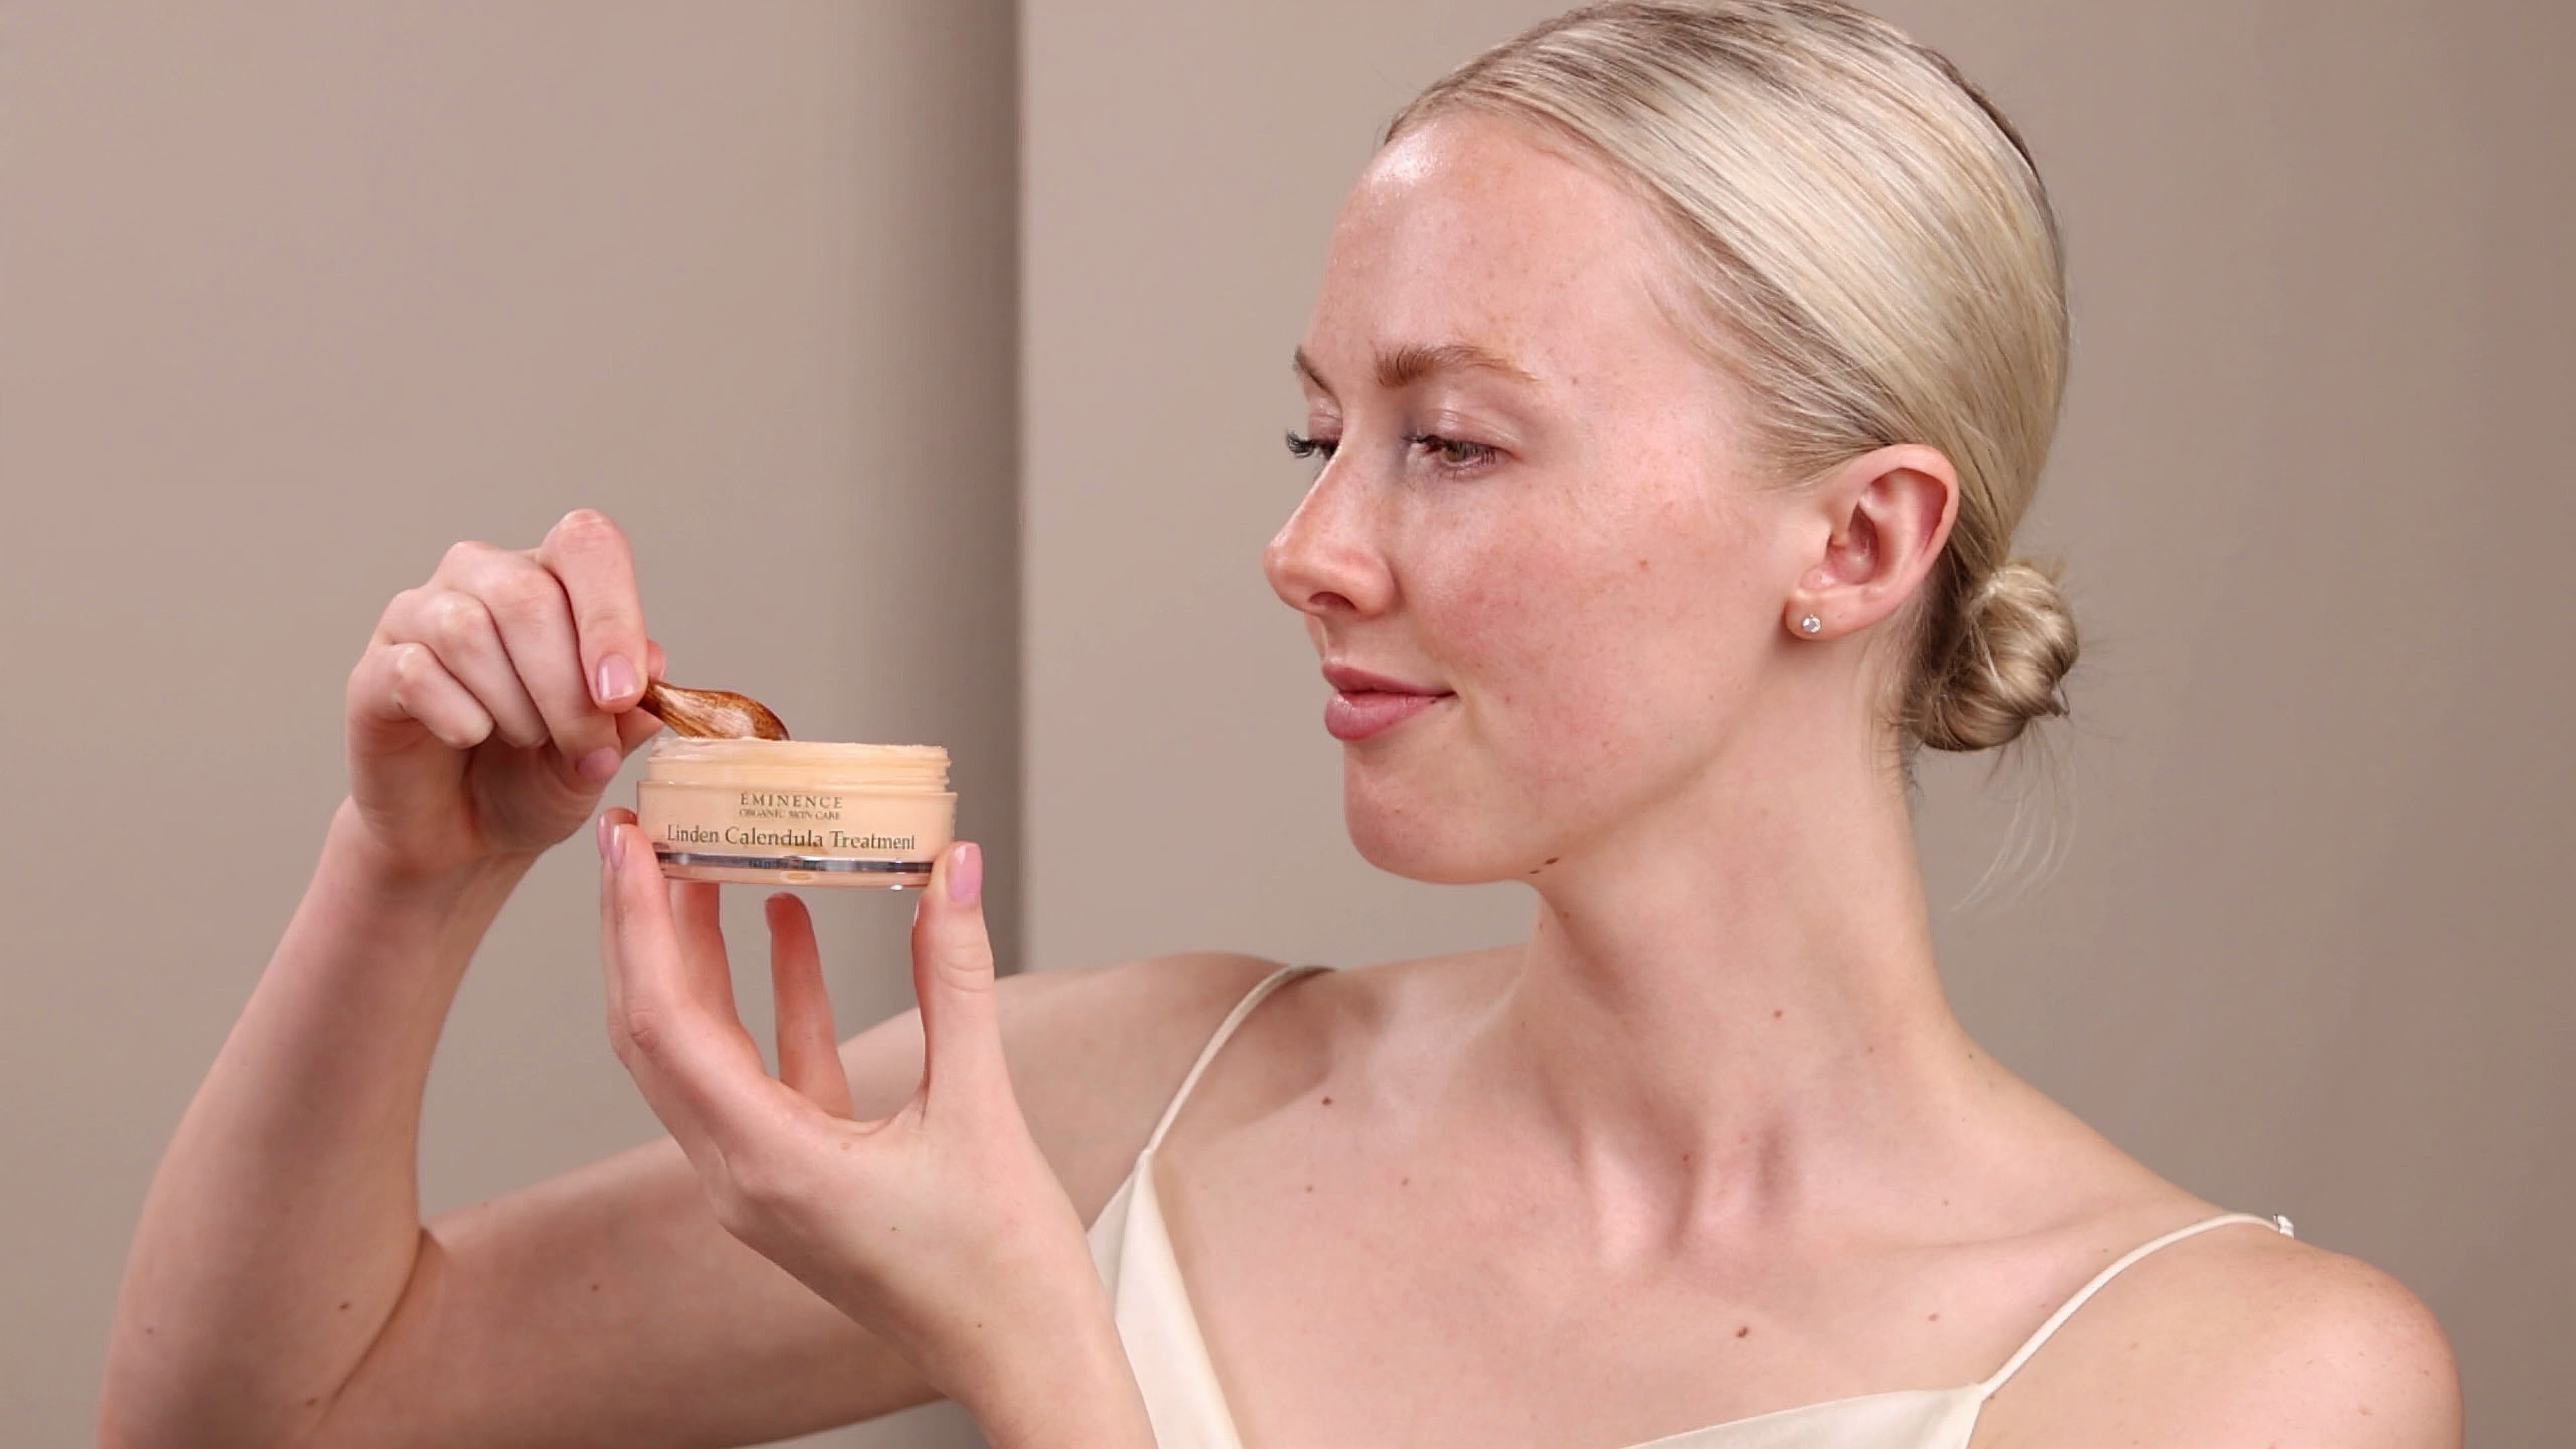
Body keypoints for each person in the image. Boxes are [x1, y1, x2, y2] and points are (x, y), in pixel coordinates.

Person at [101, 3, 2463, 1446]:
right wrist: (410, 881)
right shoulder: (1149, 1099)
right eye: (1314, 433)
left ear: (1853, 545)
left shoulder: (2239, 1387)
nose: (1312, 547)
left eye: (1451, 440)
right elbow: (271, 1419)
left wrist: (1035, 1352)